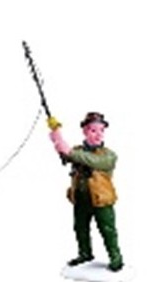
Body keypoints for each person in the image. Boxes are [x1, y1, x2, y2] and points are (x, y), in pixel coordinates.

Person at [49, 112, 124, 272]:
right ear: (85, 131)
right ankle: (85, 253)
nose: (98, 135)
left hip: (101, 200)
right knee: (80, 228)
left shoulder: (109, 155)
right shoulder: (77, 150)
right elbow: (66, 155)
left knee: (108, 230)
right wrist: (57, 137)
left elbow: (89, 160)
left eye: (101, 130)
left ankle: (116, 258)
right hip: (81, 197)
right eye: (93, 130)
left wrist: (68, 150)